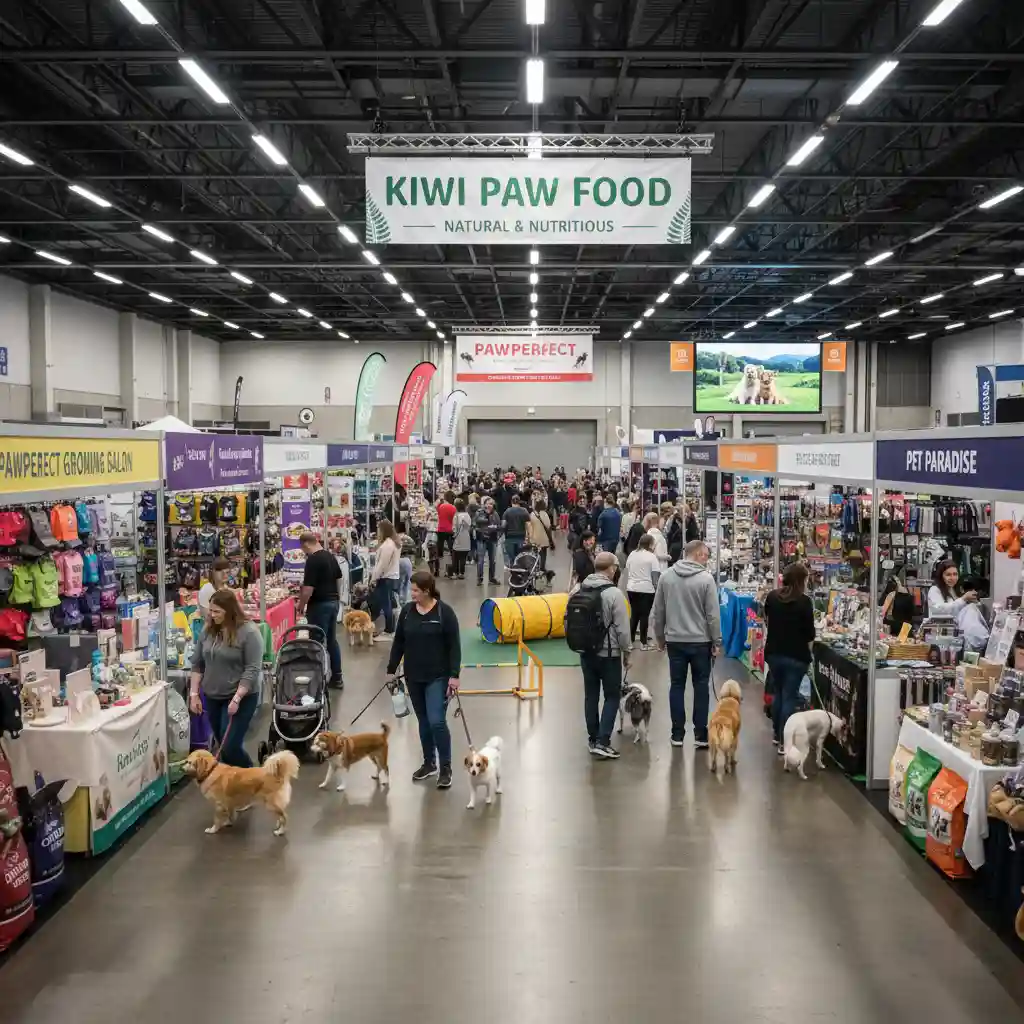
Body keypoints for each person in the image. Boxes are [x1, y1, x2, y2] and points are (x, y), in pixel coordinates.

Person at [385, 570, 461, 789]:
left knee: (437, 721)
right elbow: (399, 642)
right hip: (413, 676)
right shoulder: (407, 612)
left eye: (416, 590)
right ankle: (429, 763)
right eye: (412, 590)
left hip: (438, 676)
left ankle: (445, 767)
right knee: (424, 721)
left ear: (427, 591)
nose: (412, 594)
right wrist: (391, 669)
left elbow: (454, 646)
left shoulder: (444, 613)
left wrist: (454, 676)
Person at [652, 539, 722, 748]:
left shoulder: (666, 577)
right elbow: (713, 615)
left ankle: (677, 734)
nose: (707, 560)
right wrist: (717, 640)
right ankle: (700, 734)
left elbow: (658, 612)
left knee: (676, 685)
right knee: (701, 687)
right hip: (701, 642)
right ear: (698, 554)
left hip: (675, 641)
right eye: (706, 555)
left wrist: (660, 638)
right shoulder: (706, 579)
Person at [189, 589, 263, 767]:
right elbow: (197, 663)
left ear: (230, 611)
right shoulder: (208, 631)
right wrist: (194, 694)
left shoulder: (249, 633)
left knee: (229, 746)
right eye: (211, 610)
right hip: (212, 696)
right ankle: (234, 780)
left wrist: (237, 698)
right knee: (221, 744)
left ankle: (252, 776)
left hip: (240, 697)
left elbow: (252, 669)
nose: (212, 615)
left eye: (217, 611)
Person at [576, 551, 632, 759]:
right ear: (612, 569)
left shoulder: (579, 589)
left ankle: (593, 739)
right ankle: (603, 741)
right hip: (609, 654)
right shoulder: (614, 594)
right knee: (612, 696)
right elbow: (623, 629)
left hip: (586, 652)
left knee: (591, 696)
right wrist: (627, 652)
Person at [764, 562, 816, 750]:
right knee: (789, 697)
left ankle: (777, 734)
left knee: (779, 693)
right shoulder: (804, 602)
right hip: (796, 656)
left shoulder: (772, 597)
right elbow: (810, 634)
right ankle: (784, 740)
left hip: (774, 654)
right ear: (801, 580)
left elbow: (767, 621)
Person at [296, 531, 343, 687]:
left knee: (316, 642)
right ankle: (337, 677)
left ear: (306, 544)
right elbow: (339, 578)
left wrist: (301, 605)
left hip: (319, 605)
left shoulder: (313, 560)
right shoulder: (330, 556)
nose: (304, 552)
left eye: (303, 549)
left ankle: (317, 679)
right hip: (333, 602)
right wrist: (337, 597)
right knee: (331, 641)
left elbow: (308, 589)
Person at [625, 533, 661, 650]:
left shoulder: (632, 554)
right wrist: (657, 590)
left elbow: (627, 570)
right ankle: (643, 643)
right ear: (650, 544)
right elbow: (655, 577)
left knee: (634, 615)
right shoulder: (652, 557)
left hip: (631, 588)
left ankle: (630, 642)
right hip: (646, 589)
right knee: (644, 616)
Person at [369, 520, 401, 641]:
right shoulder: (392, 543)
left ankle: (389, 630)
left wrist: (373, 578)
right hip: (390, 577)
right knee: (388, 604)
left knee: (385, 604)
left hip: (385, 578)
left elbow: (382, 565)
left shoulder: (388, 545)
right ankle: (389, 629)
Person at [474, 496, 501, 586]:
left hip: (492, 539)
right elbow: (477, 521)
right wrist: (487, 519)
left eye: (491, 504)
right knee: (481, 559)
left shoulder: (495, 514)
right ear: (484, 504)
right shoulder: (479, 512)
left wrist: (496, 529)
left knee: (492, 560)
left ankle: (492, 578)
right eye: (488, 503)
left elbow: (498, 525)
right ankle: (479, 578)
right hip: (481, 538)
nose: (489, 505)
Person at [197, 556, 233, 620]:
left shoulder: (224, 586)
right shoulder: (206, 590)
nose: (224, 573)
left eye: (227, 571)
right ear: (213, 572)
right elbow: (207, 617)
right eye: (219, 570)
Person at [501, 494, 530, 565]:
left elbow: (503, 525)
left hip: (509, 537)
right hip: (521, 536)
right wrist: (528, 537)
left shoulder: (507, 511)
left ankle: (512, 568)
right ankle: (519, 568)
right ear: (519, 502)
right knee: (520, 557)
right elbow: (528, 525)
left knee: (511, 558)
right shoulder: (524, 511)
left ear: (511, 502)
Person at [528, 499, 554, 570]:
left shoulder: (532, 514)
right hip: (543, 538)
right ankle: (542, 567)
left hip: (534, 537)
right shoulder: (545, 514)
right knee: (543, 553)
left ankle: (536, 566)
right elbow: (548, 525)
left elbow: (529, 526)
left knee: (535, 552)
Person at [451, 498, 472, 579]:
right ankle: (462, 573)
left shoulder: (456, 516)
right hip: (466, 538)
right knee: (463, 557)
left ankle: (455, 573)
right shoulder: (467, 515)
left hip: (458, 538)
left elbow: (454, 529)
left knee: (455, 557)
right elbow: (469, 527)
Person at [436, 490, 457, 565]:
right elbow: (454, 519)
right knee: (451, 547)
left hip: (441, 528)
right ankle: (453, 562)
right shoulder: (453, 508)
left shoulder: (441, 506)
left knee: (440, 546)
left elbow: (437, 513)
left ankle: (439, 564)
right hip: (449, 529)